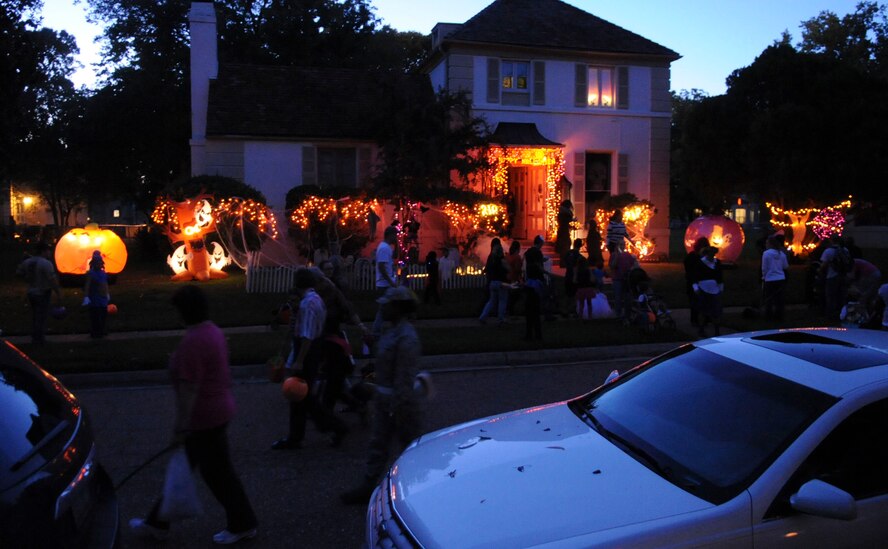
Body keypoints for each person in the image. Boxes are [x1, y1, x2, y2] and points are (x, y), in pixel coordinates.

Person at [129, 285, 258, 544]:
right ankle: (156, 523)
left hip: (205, 419)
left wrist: (180, 427)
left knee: (219, 475)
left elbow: (190, 389)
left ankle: (243, 524)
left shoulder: (194, 342)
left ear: (184, 311)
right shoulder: (212, 331)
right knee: (192, 468)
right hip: (218, 411)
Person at [340, 286, 424, 504]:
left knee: (410, 447)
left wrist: (398, 406)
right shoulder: (393, 332)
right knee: (378, 443)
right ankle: (368, 485)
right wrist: (373, 345)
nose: (383, 308)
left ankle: (419, 489)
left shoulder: (407, 338)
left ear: (398, 307)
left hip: (400, 403)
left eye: (387, 305)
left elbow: (404, 376)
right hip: (385, 400)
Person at [272, 268, 330, 450]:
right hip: (315, 350)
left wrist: (299, 360)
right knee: (304, 397)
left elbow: (307, 335)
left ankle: (300, 435)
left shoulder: (308, 304)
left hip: (307, 353)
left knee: (298, 395)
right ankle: (309, 431)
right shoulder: (317, 299)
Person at [16, 241, 62, 344]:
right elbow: (52, 279)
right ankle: (39, 337)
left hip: (31, 291)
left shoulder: (28, 262)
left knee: (35, 315)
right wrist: (58, 292)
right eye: (48, 250)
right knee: (42, 315)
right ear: (43, 251)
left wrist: (27, 278)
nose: (50, 253)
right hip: (43, 291)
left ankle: (35, 335)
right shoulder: (46, 263)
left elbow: (19, 273)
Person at [371, 226, 399, 338]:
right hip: (384, 284)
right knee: (383, 310)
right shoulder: (383, 248)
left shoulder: (387, 247)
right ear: (390, 235)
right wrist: (390, 282)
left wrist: (396, 245)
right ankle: (376, 332)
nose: (396, 237)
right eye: (395, 235)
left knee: (388, 308)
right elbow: (381, 267)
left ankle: (381, 331)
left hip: (386, 283)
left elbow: (395, 256)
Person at [818, 234, 852, 323]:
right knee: (841, 296)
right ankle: (842, 315)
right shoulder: (845, 250)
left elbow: (823, 265)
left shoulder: (828, 251)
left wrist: (819, 271)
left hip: (831, 276)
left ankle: (830, 316)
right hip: (843, 276)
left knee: (830, 297)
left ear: (831, 241)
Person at [693, 246, 724, 337]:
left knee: (716, 311)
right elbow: (694, 277)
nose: (712, 256)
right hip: (703, 288)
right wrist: (696, 288)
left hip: (715, 288)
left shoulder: (717, 263)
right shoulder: (700, 263)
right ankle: (701, 329)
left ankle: (717, 330)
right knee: (703, 310)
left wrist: (721, 289)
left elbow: (720, 277)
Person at [479, 238, 509, 325]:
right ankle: (501, 318)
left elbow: (486, 269)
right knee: (502, 300)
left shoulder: (490, 257)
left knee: (491, 301)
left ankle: (483, 316)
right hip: (501, 282)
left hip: (492, 282)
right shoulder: (501, 258)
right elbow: (506, 269)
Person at [523, 236, 547, 340]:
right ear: (540, 243)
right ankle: (538, 335)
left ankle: (529, 334)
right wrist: (545, 274)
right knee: (536, 310)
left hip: (529, 282)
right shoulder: (538, 253)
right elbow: (538, 266)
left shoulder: (528, 252)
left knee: (529, 310)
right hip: (536, 281)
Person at [761, 235, 789, 321]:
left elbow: (764, 267)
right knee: (779, 299)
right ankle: (779, 316)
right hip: (780, 278)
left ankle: (768, 316)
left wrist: (764, 276)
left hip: (770, 279)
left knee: (769, 299)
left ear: (770, 244)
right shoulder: (781, 254)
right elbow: (785, 266)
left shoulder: (766, 254)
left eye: (767, 243)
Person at [84, 250, 111, 338]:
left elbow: (105, 284)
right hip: (95, 298)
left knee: (103, 314)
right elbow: (87, 285)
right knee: (95, 315)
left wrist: (107, 293)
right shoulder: (91, 274)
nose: (98, 264)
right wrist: (86, 296)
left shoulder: (103, 273)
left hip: (103, 298)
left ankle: (102, 330)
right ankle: (95, 331)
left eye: (100, 262)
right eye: (96, 263)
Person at [608, 242, 639, 322]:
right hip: (617, 279)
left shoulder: (627, 255)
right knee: (618, 298)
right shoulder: (613, 255)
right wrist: (617, 257)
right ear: (617, 246)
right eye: (620, 245)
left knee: (627, 298)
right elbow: (612, 266)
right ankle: (618, 314)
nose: (622, 246)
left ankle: (627, 315)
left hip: (626, 279)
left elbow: (633, 265)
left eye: (623, 245)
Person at [684, 237, 709, 326]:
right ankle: (696, 320)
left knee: (700, 302)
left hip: (699, 283)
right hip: (694, 283)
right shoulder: (693, 257)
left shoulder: (704, 258)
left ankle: (701, 319)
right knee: (695, 302)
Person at [563, 238, 584, 317]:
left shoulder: (568, 253)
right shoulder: (579, 256)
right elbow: (576, 267)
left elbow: (565, 262)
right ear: (580, 246)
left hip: (567, 275)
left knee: (567, 294)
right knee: (574, 295)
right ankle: (574, 310)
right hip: (574, 277)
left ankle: (566, 310)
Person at [505, 240, 524, 316]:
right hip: (514, 279)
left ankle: (508, 311)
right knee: (515, 296)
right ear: (517, 249)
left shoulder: (507, 256)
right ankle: (511, 312)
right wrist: (520, 279)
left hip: (507, 278)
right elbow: (517, 270)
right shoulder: (517, 257)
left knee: (509, 296)